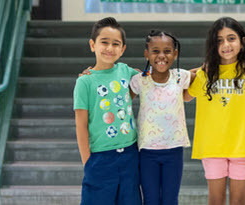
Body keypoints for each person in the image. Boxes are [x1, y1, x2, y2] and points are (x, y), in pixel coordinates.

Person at [185, 17, 245, 205]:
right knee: (215, 200)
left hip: (242, 146)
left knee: (238, 201)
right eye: (219, 40)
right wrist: (191, 73)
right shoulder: (206, 72)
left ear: (242, 41)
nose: (226, 44)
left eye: (231, 38)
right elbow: (185, 95)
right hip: (212, 146)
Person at [73, 17, 141, 205]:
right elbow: (81, 126)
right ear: (92, 45)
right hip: (100, 158)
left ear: (122, 49)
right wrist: (88, 163)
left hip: (129, 154)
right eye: (104, 42)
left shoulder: (125, 71)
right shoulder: (84, 82)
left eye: (115, 44)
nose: (109, 48)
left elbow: (149, 78)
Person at [130, 29, 194, 205]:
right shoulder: (139, 80)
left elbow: (202, 74)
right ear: (146, 54)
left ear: (175, 54)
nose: (161, 56)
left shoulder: (181, 76)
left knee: (170, 199)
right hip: (147, 151)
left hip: (174, 150)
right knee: (150, 199)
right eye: (155, 51)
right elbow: (121, 96)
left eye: (167, 51)